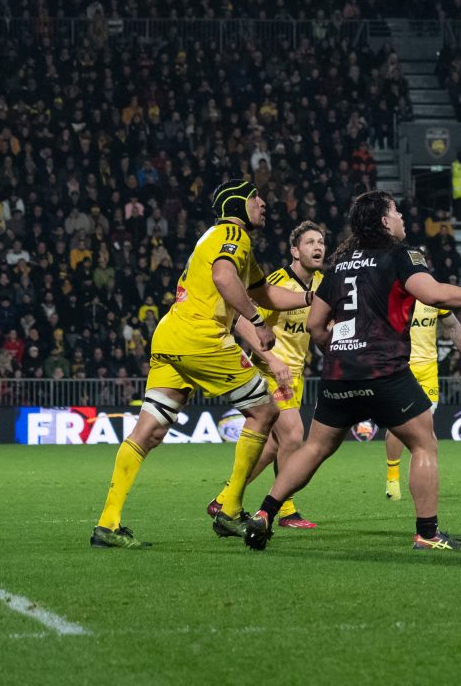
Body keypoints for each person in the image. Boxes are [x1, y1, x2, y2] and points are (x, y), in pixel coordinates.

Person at [240, 191, 461, 552]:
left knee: (315, 447)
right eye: (396, 212)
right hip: (385, 369)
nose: (402, 216)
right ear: (385, 222)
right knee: (423, 443)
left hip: (340, 372)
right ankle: (427, 533)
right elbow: (432, 294)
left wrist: (338, 350)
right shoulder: (401, 255)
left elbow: (315, 324)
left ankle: (264, 513)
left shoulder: (339, 263)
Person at [91, 178, 308, 549]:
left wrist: (312, 297)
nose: (263, 205)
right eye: (256, 199)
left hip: (170, 335)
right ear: (239, 206)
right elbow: (224, 277)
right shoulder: (233, 234)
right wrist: (256, 324)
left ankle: (107, 524)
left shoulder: (222, 240)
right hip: (201, 336)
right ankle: (229, 508)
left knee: (150, 431)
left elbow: (266, 293)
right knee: (264, 412)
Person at [211, 218, 328, 531]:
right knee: (292, 434)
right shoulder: (276, 283)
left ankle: (225, 499)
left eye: (321, 242)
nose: (318, 247)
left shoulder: (321, 284)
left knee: (274, 447)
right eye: (310, 242)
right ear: (294, 250)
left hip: (296, 375)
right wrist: (273, 360)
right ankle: (285, 508)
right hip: (269, 370)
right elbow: (240, 320)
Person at [385, 292, 461, 501]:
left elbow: (453, 326)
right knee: (399, 426)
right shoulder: (391, 292)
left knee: (425, 432)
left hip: (429, 371)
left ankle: (422, 486)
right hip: (401, 367)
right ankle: (392, 477)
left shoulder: (432, 294)